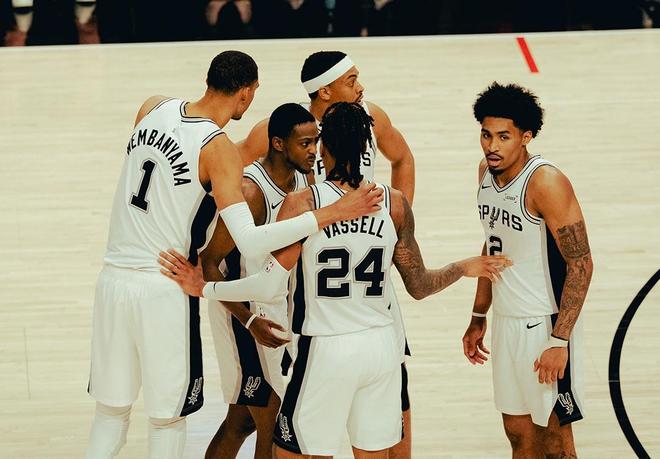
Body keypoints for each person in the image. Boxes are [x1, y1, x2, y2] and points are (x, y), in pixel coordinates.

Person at [160, 102, 511, 458]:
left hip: (325, 348)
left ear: (324, 147)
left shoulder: (303, 203)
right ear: (365, 148)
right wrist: (463, 267)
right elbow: (419, 286)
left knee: (293, 453)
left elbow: (268, 284)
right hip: (381, 347)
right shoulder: (394, 204)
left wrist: (205, 287)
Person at [84, 51, 381, 459]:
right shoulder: (218, 148)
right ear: (245, 93)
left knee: (110, 416)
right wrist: (332, 212)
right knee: (167, 421)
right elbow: (250, 240)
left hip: (112, 279)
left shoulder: (151, 107)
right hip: (165, 284)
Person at [238, 50, 416, 457]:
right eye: (351, 80)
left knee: (392, 386)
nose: (361, 87)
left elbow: (403, 157)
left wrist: (397, 226)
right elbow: (230, 164)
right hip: (313, 263)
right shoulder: (285, 127)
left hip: (366, 269)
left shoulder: (371, 117)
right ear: (325, 91)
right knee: (315, 402)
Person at [462, 82, 593, 458]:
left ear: (526, 136)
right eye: (486, 135)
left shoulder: (545, 182)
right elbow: (492, 245)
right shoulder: (485, 174)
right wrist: (478, 315)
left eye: (503, 136)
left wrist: (559, 341)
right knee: (519, 437)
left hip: (544, 324)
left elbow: (581, 264)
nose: (492, 146)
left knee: (555, 445)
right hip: (507, 321)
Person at [202, 103, 318, 459]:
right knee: (274, 421)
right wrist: (249, 320)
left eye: (316, 142)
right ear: (279, 144)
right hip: (243, 316)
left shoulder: (305, 181)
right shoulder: (251, 192)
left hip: (277, 311)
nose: (314, 151)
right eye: (305, 144)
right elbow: (210, 263)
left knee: (241, 422)